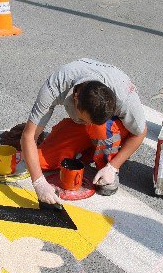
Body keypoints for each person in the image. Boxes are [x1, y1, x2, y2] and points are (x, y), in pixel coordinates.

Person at [21, 58, 148, 204]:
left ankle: (105, 164)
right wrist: (39, 183)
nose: (89, 124)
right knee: (39, 161)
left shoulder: (123, 93)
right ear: (76, 98)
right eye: (87, 119)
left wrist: (113, 167)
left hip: (108, 129)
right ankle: (86, 151)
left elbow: (140, 132)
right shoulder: (57, 85)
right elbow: (29, 136)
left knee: (101, 129)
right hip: (79, 125)